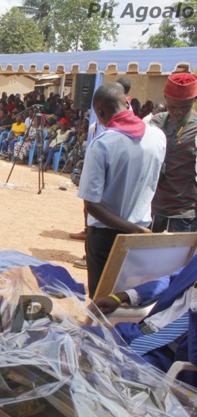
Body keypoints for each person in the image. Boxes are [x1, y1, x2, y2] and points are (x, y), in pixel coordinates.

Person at [77, 82, 165, 297]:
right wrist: (137, 230)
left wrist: (131, 230)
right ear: (127, 103)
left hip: (107, 238)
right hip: (142, 233)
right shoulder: (158, 137)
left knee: (101, 303)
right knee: (127, 299)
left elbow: (92, 205)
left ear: (100, 112)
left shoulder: (102, 144)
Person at [93, 255, 197, 386]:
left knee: (101, 378)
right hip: (135, 332)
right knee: (69, 343)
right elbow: (174, 280)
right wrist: (123, 297)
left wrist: (195, 307)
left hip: (167, 359)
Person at [149, 73, 197, 233]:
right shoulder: (155, 123)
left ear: (194, 100)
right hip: (152, 206)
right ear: (165, 98)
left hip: (183, 211)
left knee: (178, 257)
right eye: (172, 106)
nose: (177, 112)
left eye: (184, 107)